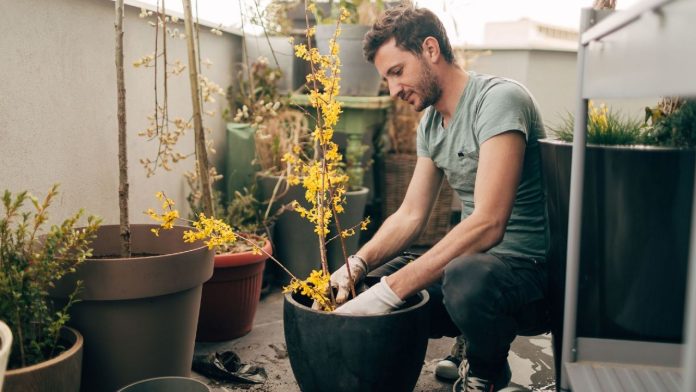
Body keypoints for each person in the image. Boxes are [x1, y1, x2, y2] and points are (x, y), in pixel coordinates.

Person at [330, 5, 550, 392]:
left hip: (528, 272)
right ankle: (470, 337)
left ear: (430, 49)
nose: (393, 90)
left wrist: (394, 291)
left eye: (396, 72)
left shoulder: (498, 100)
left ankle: (487, 371)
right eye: (386, 79)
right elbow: (410, 215)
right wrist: (358, 265)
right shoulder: (431, 123)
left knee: (461, 278)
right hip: (473, 266)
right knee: (371, 287)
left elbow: (488, 223)